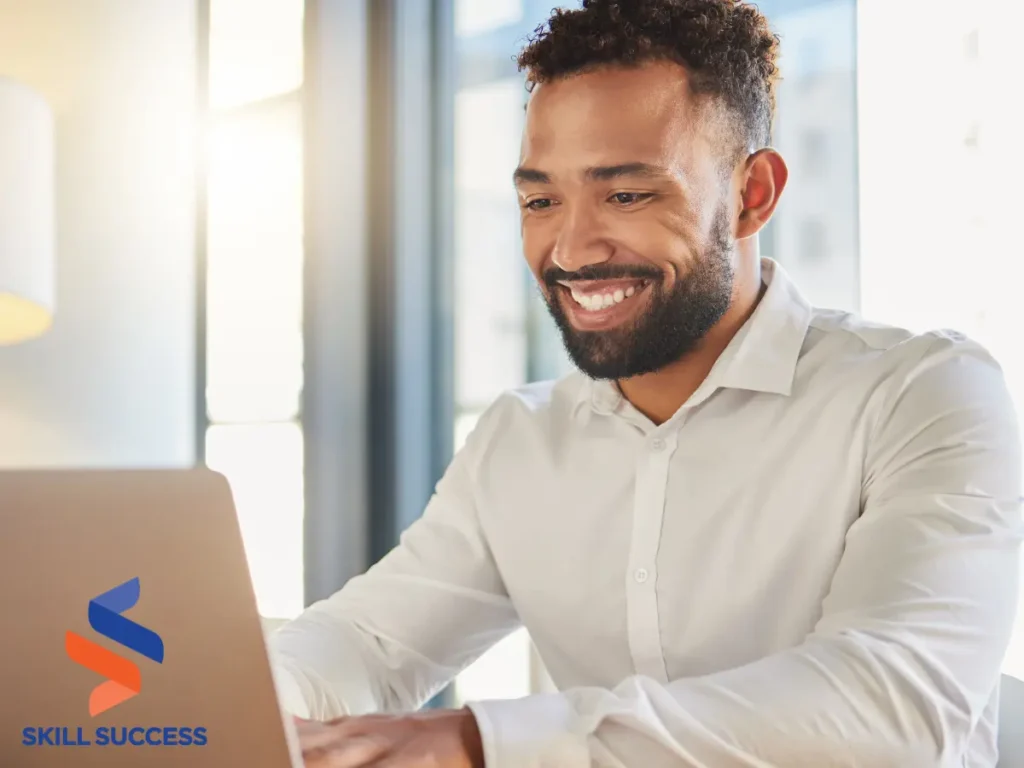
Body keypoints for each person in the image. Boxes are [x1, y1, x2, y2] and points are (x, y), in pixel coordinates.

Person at [273, 1, 1023, 765]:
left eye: (627, 195)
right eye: (539, 201)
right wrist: (225, 706)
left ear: (752, 194)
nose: (571, 247)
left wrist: (480, 743)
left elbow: (891, 709)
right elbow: (366, 644)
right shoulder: (521, 439)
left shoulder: (923, 393)